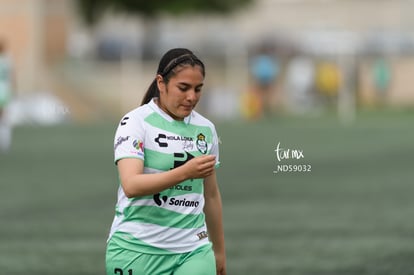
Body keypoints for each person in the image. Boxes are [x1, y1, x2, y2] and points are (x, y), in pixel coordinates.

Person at [106, 48, 226, 275]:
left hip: (193, 249)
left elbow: (210, 194)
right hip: (136, 248)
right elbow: (131, 185)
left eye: (198, 89)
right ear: (161, 83)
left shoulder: (206, 129)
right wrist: (185, 172)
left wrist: (218, 251)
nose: (192, 97)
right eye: (183, 88)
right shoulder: (135, 122)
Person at [0, 39, 13, 153]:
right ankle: (5, 143)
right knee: (4, 118)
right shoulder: (7, 60)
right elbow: (12, 76)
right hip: (4, 92)